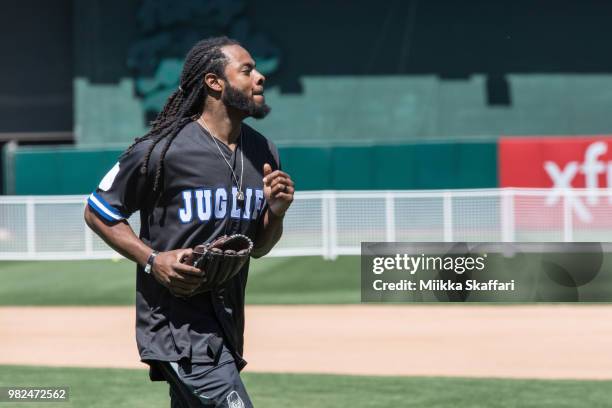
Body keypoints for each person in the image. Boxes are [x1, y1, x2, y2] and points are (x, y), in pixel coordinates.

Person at [84, 36, 294, 407]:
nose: (259, 77)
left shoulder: (262, 150)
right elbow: (99, 211)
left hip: (226, 326)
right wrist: (152, 259)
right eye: (246, 70)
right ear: (215, 82)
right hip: (177, 327)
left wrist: (275, 211)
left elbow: (258, 248)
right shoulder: (161, 149)